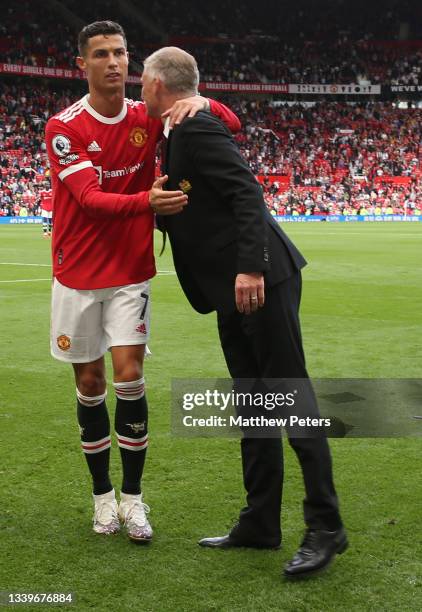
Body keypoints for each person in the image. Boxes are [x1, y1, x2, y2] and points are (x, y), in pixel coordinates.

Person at [142, 46, 348, 579]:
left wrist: (251, 268)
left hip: (261, 279)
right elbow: (205, 203)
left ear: (161, 86)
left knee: (291, 400)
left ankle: (326, 526)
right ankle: (260, 522)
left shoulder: (195, 127)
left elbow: (247, 194)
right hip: (231, 287)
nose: (140, 89)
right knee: (254, 404)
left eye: (144, 80)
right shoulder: (177, 129)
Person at [45, 21, 240, 542]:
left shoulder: (145, 117)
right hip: (77, 274)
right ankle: (101, 498)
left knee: (129, 376)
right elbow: (89, 200)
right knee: (90, 384)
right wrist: (147, 203)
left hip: (130, 272)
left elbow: (233, 122)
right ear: (82, 65)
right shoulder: (63, 127)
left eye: (121, 53)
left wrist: (204, 103)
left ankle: (132, 500)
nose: (114, 62)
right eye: (102, 54)